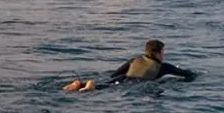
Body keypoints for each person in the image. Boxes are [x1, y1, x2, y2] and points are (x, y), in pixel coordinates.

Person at [63, 40, 196, 93]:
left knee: (107, 84)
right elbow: (185, 74)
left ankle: (79, 85)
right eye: (162, 52)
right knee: (106, 89)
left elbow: (115, 74)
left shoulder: (135, 59)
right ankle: (89, 86)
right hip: (136, 83)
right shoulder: (163, 67)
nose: (163, 54)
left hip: (122, 77)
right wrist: (195, 74)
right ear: (157, 53)